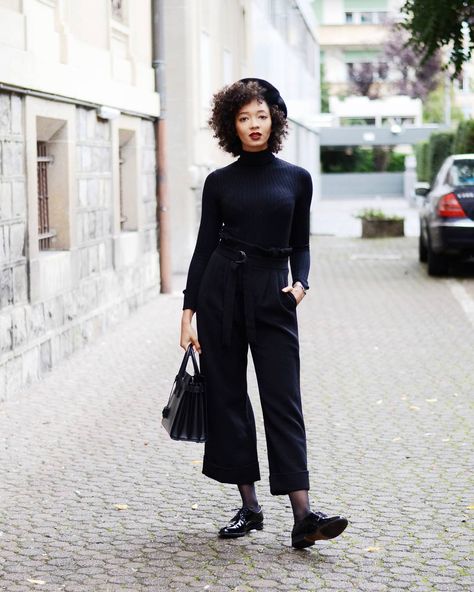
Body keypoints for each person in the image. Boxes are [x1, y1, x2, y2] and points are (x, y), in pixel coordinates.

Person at [180, 78, 348, 549]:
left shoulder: (296, 178)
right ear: (231, 125)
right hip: (222, 291)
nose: (253, 124)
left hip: (274, 295)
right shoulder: (219, 182)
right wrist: (188, 311)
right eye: (243, 117)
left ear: (274, 119)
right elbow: (202, 248)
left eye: (261, 115)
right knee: (229, 398)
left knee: (283, 402)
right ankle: (250, 508)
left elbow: (301, 244)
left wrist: (300, 286)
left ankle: (304, 515)